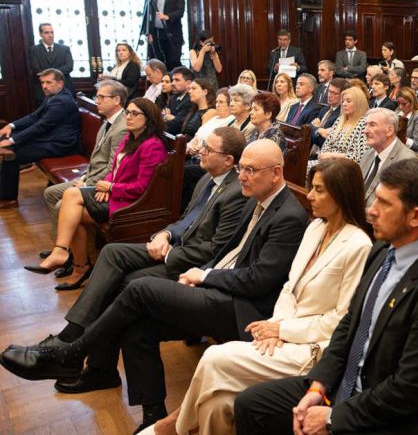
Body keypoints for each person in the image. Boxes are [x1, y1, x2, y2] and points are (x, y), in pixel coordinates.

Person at [1, 139, 309, 433]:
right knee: (138, 327)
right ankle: (152, 414)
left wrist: (203, 276)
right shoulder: (253, 198)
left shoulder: (288, 215)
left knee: (140, 287)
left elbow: (258, 281)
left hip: (242, 309)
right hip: (216, 285)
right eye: (241, 167)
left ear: (276, 173)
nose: (241, 175)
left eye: (250, 170)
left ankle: (72, 353)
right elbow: (225, 252)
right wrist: (199, 272)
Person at [233, 158, 418, 435]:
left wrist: (334, 417)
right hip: (347, 385)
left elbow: (409, 389)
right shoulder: (383, 250)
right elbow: (350, 325)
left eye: (383, 204)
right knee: (251, 404)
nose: (371, 211)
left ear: (415, 217)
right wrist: (319, 385)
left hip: (395, 414)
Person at [140, 158, 371, 435]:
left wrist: (283, 329)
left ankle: (168, 429)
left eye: (319, 190)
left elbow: (340, 320)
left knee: (214, 357)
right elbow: (289, 286)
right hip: (282, 332)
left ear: (342, 193)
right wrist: (275, 327)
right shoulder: (316, 228)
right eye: (311, 188)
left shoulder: (358, 244)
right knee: (218, 404)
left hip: (311, 347)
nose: (309, 196)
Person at [20, 128, 247, 396]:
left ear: (229, 160)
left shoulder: (236, 192)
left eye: (209, 149)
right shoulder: (206, 180)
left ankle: (98, 368)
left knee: (126, 282)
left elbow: (215, 249)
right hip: (174, 246)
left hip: (192, 263)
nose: (200, 152)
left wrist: (168, 252)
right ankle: (72, 336)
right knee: (112, 252)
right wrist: (164, 234)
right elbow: (185, 219)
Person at [23, 98, 169, 290]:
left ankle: (72, 260)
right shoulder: (131, 138)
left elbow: (143, 188)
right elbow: (115, 169)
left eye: (135, 114)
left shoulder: (152, 146)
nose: (129, 117)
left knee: (68, 203)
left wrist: (110, 188)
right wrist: (108, 181)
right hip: (116, 193)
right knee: (67, 202)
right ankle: (72, 261)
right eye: (128, 112)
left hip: (131, 203)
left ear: (149, 119)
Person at [41, 81, 128, 255]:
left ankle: (71, 254)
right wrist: (83, 178)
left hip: (101, 183)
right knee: (50, 193)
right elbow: (96, 159)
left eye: (102, 97)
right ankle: (62, 247)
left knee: (61, 204)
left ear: (116, 99)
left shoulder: (123, 127)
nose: (97, 101)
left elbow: (112, 167)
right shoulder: (107, 122)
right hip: (90, 177)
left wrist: (88, 183)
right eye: (97, 97)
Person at [0, 69, 80, 208]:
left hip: (62, 145)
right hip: (51, 138)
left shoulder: (62, 101)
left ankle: (8, 198)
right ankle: (5, 193)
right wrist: (11, 126)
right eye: (42, 82)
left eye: (49, 82)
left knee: (12, 154)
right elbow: (34, 117)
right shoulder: (54, 96)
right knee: (10, 142)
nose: (44, 86)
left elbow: (40, 126)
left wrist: (12, 140)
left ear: (60, 83)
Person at [359, 108, 417, 206]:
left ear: (389, 130)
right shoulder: (368, 153)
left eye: (372, 125)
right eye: (366, 125)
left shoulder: (406, 161)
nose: (365, 131)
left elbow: (396, 206)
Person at [310, 86, 370, 167]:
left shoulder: (364, 124)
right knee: (300, 167)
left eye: (348, 101)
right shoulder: (340, 120)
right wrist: (325, 155)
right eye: (343, 101)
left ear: (358, 103)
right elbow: (326, 145)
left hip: (345, 166)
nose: (344, 104)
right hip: (328, 162)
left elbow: (359, 157)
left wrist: (332, 156)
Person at [142, 0, 185, 71]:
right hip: (155, 34)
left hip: (173, 34)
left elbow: (180, 11)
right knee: (157, 63)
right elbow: (146, 13)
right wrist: (147, 32)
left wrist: (167, 16)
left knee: (173, 61)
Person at [26, 23, 75, 106]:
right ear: (41, 34)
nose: (50, 35)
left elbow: (69, 67)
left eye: (52, 32)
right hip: (43, 92)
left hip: (64, 89)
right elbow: (36, 69)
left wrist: (49, 73)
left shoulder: (64, 49)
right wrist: (56, 73)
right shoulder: (34, 50)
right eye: (47, 33)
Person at [310, 78, 349, 148]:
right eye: (329, 91)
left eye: (335, 93)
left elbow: (325, 141)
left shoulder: (343, 114)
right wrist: (320, 130)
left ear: (344, 96)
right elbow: (309, 132)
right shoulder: (324, 110)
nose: (330, 95)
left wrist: (316, 128)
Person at [164, 67, 195, 135]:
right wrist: (169, 117)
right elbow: (162, 114)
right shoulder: (173, 98)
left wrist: (170, 118)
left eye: (177, 80)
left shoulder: (191, 100)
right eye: (173, 80)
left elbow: (178, 125)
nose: (173, 83)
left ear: (188, 83)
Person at [396, 87, 418, 152]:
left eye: (404, 104)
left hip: (408, 152)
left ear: (412, 102)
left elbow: (417, 145)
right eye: (399, 103)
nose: (400, 107)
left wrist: (402, 138)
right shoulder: (397, 111)